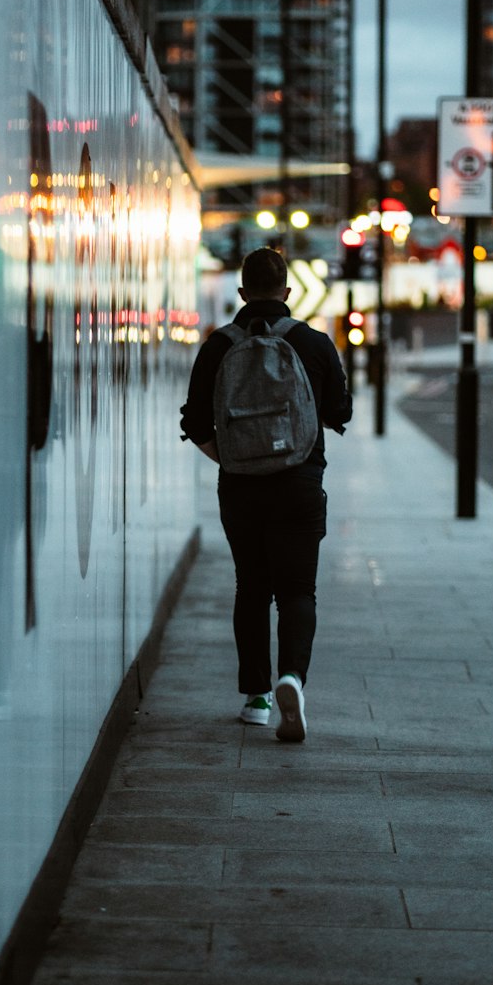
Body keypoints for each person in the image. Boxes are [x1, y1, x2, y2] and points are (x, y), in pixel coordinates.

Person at [180, 247, 352, 742]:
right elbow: (339, 412)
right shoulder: (314, 343)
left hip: (241, 488)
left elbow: (194, 422)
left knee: (251, 589)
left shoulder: (217, 346)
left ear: (241, 292)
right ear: (288, 292)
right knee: (298, 590)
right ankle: (291, 678)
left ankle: (255, 699)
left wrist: (233, 458)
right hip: (299, 483)